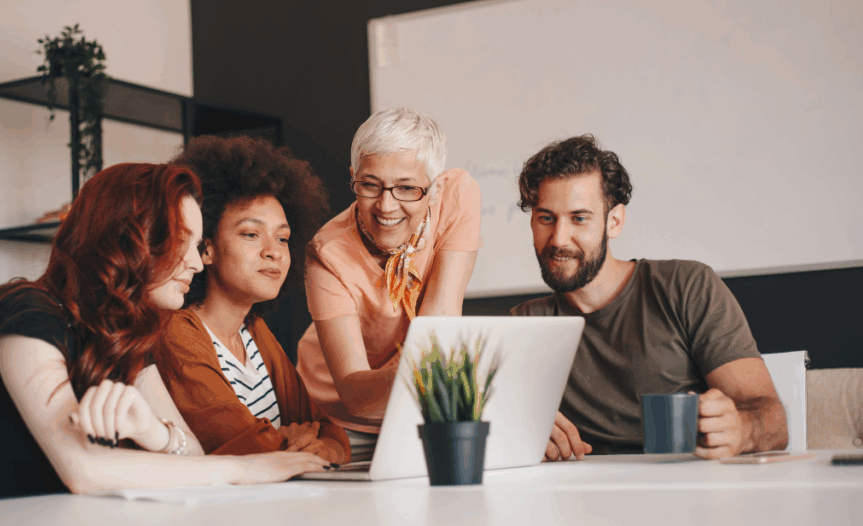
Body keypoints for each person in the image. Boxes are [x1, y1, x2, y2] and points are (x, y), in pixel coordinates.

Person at [0, 163, 327, 508]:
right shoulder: (25, 310)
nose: (197, 264)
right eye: (187, 242)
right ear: (134, 237)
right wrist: (246, 470)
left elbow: (190, 454)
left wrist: (154, 432)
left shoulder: (128, 336)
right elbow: (82, 469)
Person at [510, 135, 788, 461]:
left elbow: (774, 420)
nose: (558, 238)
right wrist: (525, 436)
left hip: (687, 493)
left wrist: (742, 429)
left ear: (614, 221)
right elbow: (500, 432)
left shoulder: (685, 287)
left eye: (579, 218)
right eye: (546, 218)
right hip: (580, 499)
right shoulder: (523, 325)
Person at [296, 107, 482, 461]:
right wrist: (434, 366)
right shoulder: (326, 254)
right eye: (369, 185)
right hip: (341, 418)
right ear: (353, 177)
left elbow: (440, 316)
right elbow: (354, 392)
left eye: (407, 188)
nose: (386, 205)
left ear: (436, 188)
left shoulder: (457, 193)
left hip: (421, 404)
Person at [157, 136, 349, 464]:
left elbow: (329, 431)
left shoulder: (254, 331)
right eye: (251, 234)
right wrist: (293, 440)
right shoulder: (176, 332)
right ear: (206, 248)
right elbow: (243, 444)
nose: (273, 251)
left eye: (283, 238)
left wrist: (323, 445)